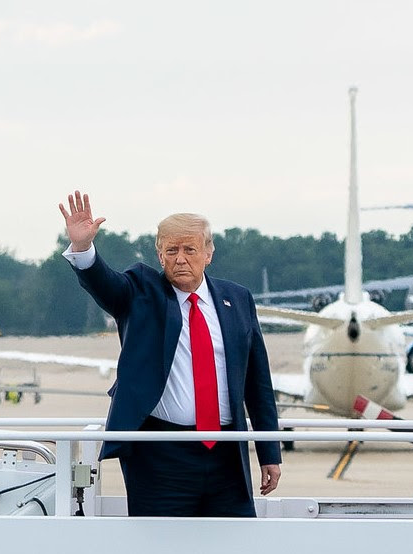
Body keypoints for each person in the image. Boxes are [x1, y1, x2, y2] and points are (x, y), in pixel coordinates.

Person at [58, 190, 282, 517]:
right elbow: (106, 285)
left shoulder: (238, 300)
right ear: (159, 255)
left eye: (190, 249)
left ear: (209, 253)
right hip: (159, 455)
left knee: (233, 552)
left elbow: (257, 384)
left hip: (226, 454)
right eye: (171, 250)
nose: (180, 258)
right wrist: (83, 249)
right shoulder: (140, 290)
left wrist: (269, 452)